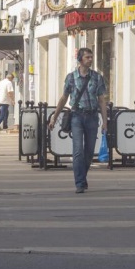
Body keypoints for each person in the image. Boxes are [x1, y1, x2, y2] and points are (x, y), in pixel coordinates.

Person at [48, 48, 109, 193]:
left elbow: (101, 101)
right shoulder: (71, 78)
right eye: (87, 57)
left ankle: (82, 176)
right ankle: (80, 183)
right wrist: (54, 117)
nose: (90, 59)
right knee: (78, 151)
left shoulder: (97, 77)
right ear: (80, 59)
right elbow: (64, 98)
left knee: (89, 152)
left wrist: (105, 122)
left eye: (91, 57)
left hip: (93, 117)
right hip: (76, 116)